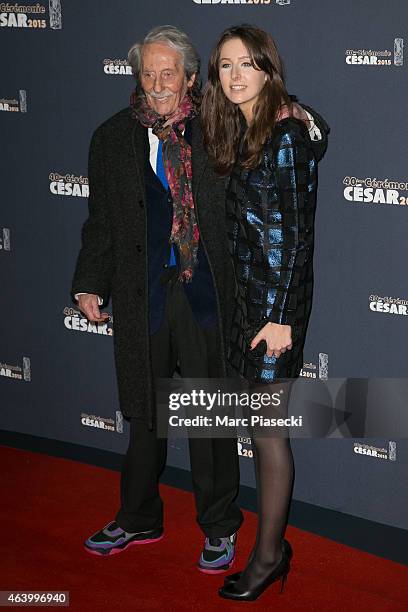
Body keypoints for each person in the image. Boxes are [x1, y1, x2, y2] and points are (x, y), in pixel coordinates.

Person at [71, 25, 327, 575]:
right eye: (148, 74)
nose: (158, 84)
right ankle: (138, 516)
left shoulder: (219, 125)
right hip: (144, 297)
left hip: (208, 293)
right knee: (144, 415)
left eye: (170, 74)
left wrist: (306, 116)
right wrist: (90, 280)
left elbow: (296, 126)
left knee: (209, 413)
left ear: (190, 78)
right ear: (136, 78)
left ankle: (218, 526)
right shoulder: (111, 138)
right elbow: (101, 224)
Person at [201, 25, 324, 600]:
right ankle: (272, 549)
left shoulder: (285, 137)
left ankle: (269, 556)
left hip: (274, 313)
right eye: (225, 65)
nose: (235, 75)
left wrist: (278, 318)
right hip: (250, 307)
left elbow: (295, 236)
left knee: (269, 435)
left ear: (269, 71)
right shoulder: (246, 130)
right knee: (259, 428)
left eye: (248, 64)